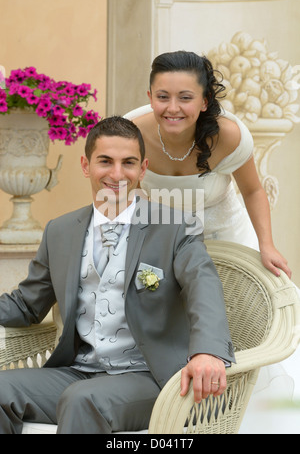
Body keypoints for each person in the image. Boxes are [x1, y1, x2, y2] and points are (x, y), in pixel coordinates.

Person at [0, 116, 235, 434]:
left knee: (83, 400)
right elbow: (27, 304)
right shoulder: (60, 231)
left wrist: (207, 351)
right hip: (78, 371)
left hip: (151, 377)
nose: (116, 174)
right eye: (105, 161)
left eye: (128, 163)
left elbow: (203, 287)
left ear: (143, 168)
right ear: (86, 165)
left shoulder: (175, 226)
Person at [124, 50, 291, 280]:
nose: (173, 108)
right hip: (165, 239)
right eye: (163, 97)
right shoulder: (129, 135)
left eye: (185, 97)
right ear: (150, 97)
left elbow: (253, 191)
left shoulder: (229, 135)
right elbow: (116, 194)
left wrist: (267, 245)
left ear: (204, 101)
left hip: (227, 238)